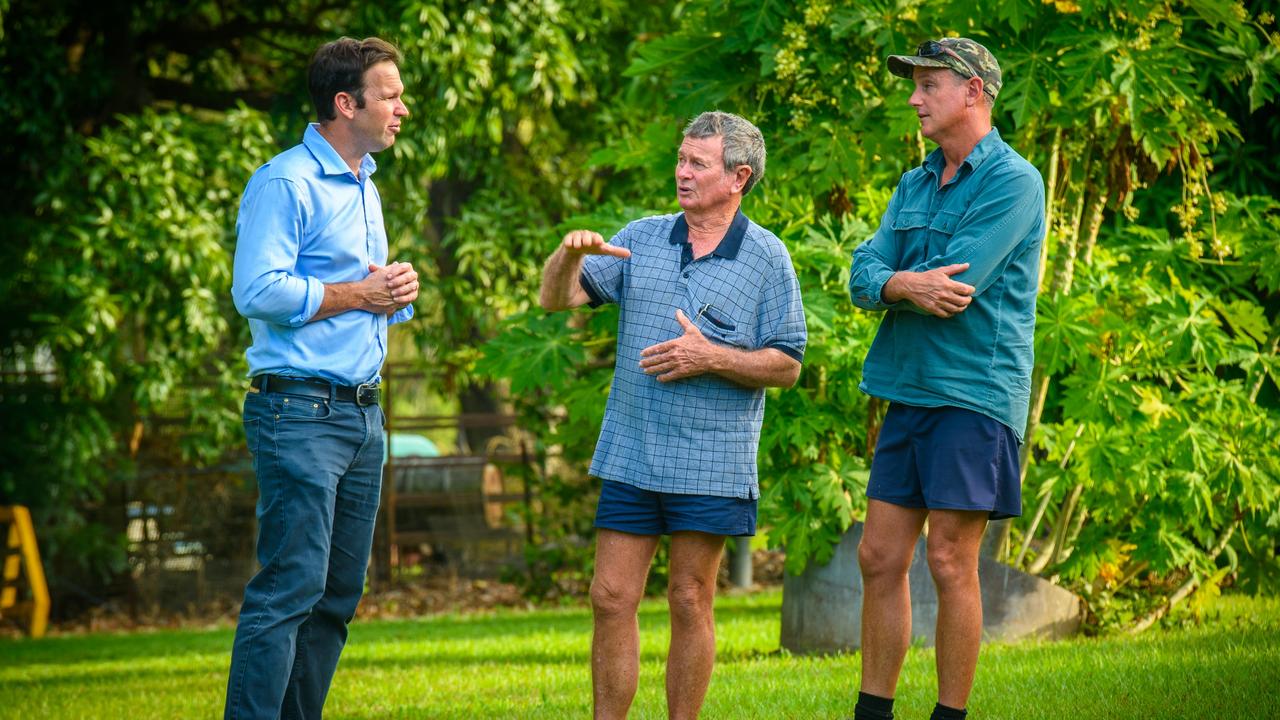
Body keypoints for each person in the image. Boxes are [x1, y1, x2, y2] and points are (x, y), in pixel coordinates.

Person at [539, 111, 806, 720]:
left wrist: (710, 356)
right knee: (609, 597)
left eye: (698, 164)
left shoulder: (767, 258)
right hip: (633, 451)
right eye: (681, 160)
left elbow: (787, 365)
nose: (682, 174)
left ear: (739, 177)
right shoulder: (644, 235)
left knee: (689, 598)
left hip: (712, 461)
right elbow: (557, 299)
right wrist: (567, 255)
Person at [847, 38, 1045, 720]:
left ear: (973, 92)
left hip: (973, 394)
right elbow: (863, 271)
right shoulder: (913, 182)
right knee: (878, 555)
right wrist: (899, 282)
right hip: (907, 387)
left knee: (951, 561)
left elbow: (955, 287)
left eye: (929, 84)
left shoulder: (1015, 182)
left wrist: (888, 282)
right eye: (915, 84)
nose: (914, 97)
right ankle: (872, 712)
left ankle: (948, 715)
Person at [225, 36, 417, 720]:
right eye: (390, 95)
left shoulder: (366, 183)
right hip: (299, 414)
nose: (402, 108)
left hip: (362, 417)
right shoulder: (285, 182)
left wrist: (394, 291)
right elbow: (259, 290)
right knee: (289, 589)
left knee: (336, 597)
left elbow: (358, 292)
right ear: (346, 102)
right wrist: (360, 294)